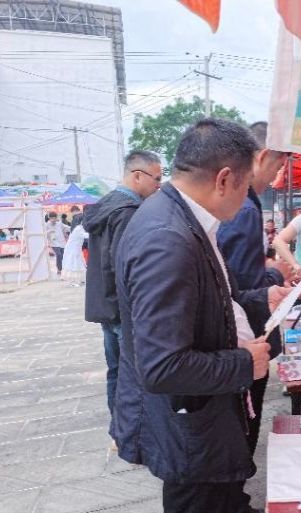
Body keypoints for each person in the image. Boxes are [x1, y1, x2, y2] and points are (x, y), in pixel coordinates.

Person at [114, 119, 270, 513]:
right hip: (187, 428)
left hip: (203, 421)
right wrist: (243, 364)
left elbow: (214, 302)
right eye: (246, 186)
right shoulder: (167, 238)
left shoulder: (185, 219)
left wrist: (261, 299)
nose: (247, 198)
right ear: (224, 179)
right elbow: (162, 366)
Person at [216, 120, 292, 467]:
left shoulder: (240, 206)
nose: (276, 177)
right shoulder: (245, 209)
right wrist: (276, 273)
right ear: (261, 158)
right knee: (246, 417)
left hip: (232, 335)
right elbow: (244, 285)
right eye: (277, 166)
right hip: (246, 336)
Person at [83, 150, 163, 419]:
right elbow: (126, 268)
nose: (159, 185)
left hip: (106, 305)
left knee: (116, 370)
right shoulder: (128, 212)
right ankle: (130, 427)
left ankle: (119, 425)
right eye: (157, 178)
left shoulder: (107, 205)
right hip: (122, 308)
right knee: (132, 374)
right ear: (137, 176)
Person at [45, 212, 69, 276]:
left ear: (56, 218)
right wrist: (49, 231)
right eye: (52, 218)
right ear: (49, 218)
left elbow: (66, 228)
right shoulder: (46, 225)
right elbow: (44, 234)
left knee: (63, 256)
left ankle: (62, 269)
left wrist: (74, 227)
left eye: (55, 218)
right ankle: (59, 269)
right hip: (54, 243)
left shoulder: (59, 224)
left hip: (62, 242)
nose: (53, 220)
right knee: (58, 255)